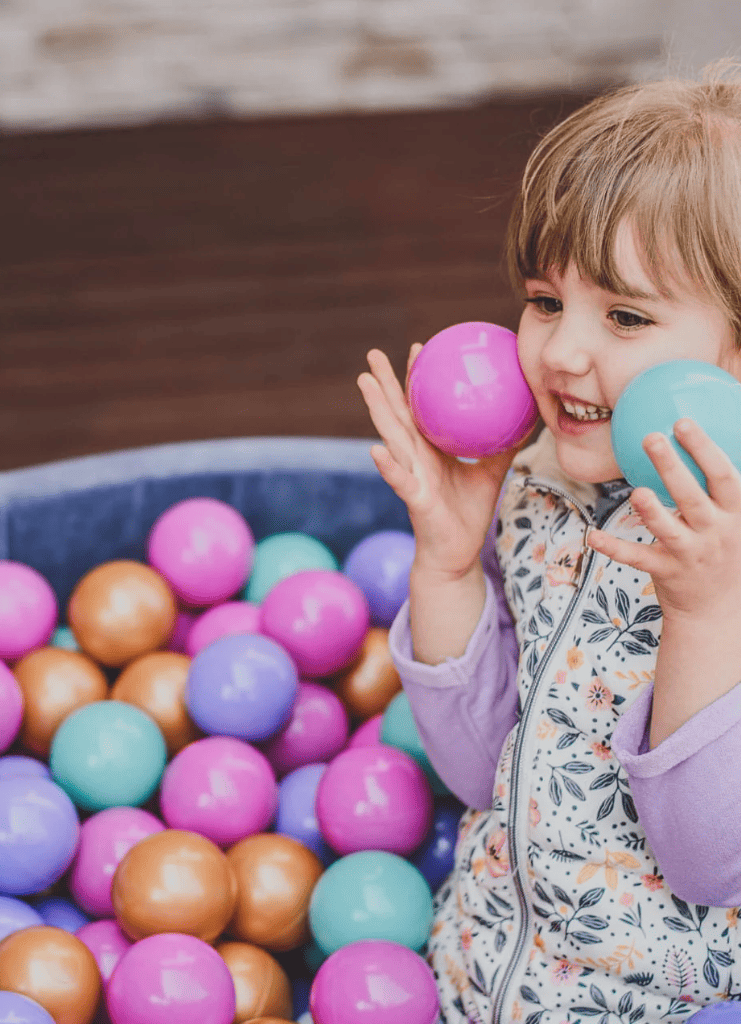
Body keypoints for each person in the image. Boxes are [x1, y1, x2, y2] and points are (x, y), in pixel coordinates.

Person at [358, 62, 741, 1023]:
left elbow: (708, 861)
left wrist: (705, 611)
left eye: (624, 316)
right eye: (543, 300)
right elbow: (481, 760)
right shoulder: (543, 482)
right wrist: (451, 561)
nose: (562, 352)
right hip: (482, 970)